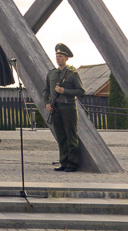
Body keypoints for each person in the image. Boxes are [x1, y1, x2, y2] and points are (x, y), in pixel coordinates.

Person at [43, 43, 85, 172]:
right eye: (57, 56)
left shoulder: (73, 74)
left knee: (71, 136)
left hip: (68, 108)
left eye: (60, 56)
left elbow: (81, 91)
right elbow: (46, 90)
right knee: (61, 137)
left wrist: (64, 91)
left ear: (66, 58)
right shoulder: (51, 74)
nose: (58, 58)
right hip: (55, 109)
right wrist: (47, 103)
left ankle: (72, 163)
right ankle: (64, 162)